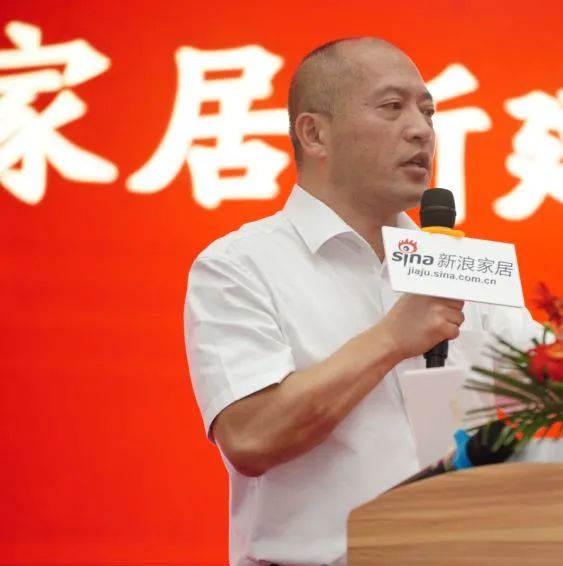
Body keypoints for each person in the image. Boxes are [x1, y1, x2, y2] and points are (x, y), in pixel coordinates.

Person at [184, 37, 539, 566]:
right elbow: (251, 437)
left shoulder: (463, 267)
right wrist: (391, 339)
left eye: (427, 111)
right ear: (314, 133)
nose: (421, 130)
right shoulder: (238, 266)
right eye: (392, 107)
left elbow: (561, 383)